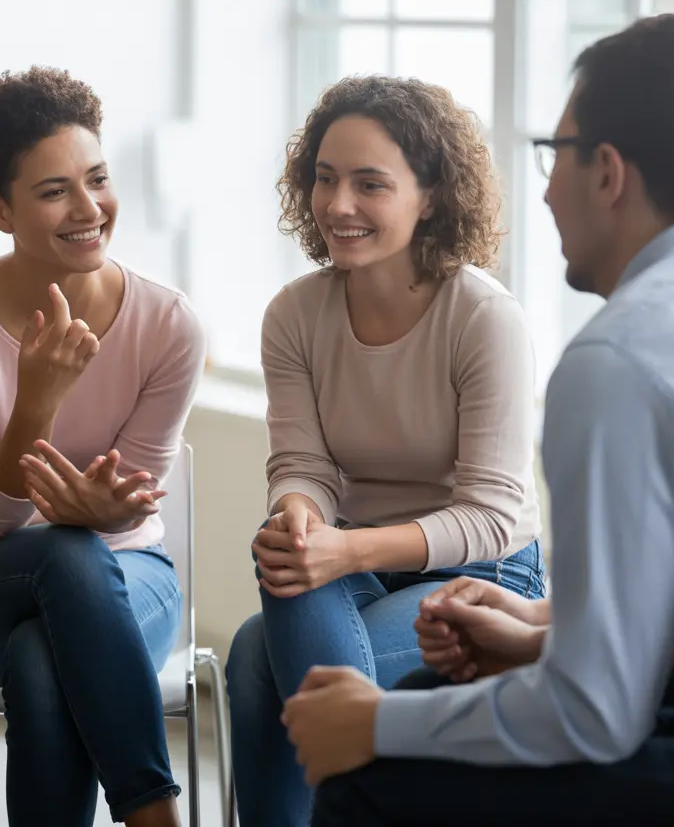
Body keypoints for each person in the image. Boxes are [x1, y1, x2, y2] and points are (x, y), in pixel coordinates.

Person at [282, 13, 674, 826]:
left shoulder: (621, 359)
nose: (546, 190)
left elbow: (594, 714)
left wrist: (375, 725)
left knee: (369, 771)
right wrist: (538, 632)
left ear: (608, 172)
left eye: (554, 154)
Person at [225, 74, 547, 825]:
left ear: (429, 196)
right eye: (325, 178)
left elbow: (492, 516)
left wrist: (343, 550)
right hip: (356, 563)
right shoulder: (294, 314)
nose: (338, 204)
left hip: (482, 570)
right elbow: (302, 466)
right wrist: (301, 516)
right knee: (280, 560)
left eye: (370, 184)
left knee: (258, 660)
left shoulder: (483, 317)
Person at [0, 66, 205, 827]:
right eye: (53, 192)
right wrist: (36, 400)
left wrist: (98, 513)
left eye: (97, 179)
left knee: (43, 658)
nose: (89, 208)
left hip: (132, 571)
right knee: (64, 552)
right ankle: (155, 814)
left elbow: (130, 502)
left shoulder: (169, 326)